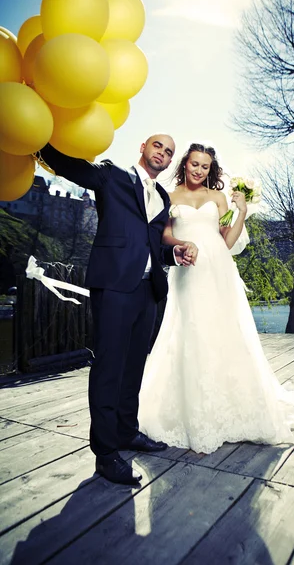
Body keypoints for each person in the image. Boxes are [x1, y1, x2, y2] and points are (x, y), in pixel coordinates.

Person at [138, 143, 294, 454]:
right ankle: (193, 409)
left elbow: (227, 241)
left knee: (223, 332)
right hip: (189, 267)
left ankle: (232, 406)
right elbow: (164, 236)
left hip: (218, 269)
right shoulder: (169, 196)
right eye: (194, 164)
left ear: (210, 169)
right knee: (191, 330)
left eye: (205, 166)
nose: (199, 170)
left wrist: (241, 210)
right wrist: (183, 243)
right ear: (185, 164)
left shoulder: (217, 197)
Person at [38, 135, 198, 484]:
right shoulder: (112, 177)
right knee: (109, 367)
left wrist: (174, 254)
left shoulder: (164, 197)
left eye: (170, 152)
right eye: (159, 146)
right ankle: (107, 454)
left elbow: (154, 245)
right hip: (113, 286)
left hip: (148, 291)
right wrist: (40, 140)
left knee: (134, 366)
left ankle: (127, 431)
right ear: (143, 147)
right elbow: (72, 168)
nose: (164, 154)